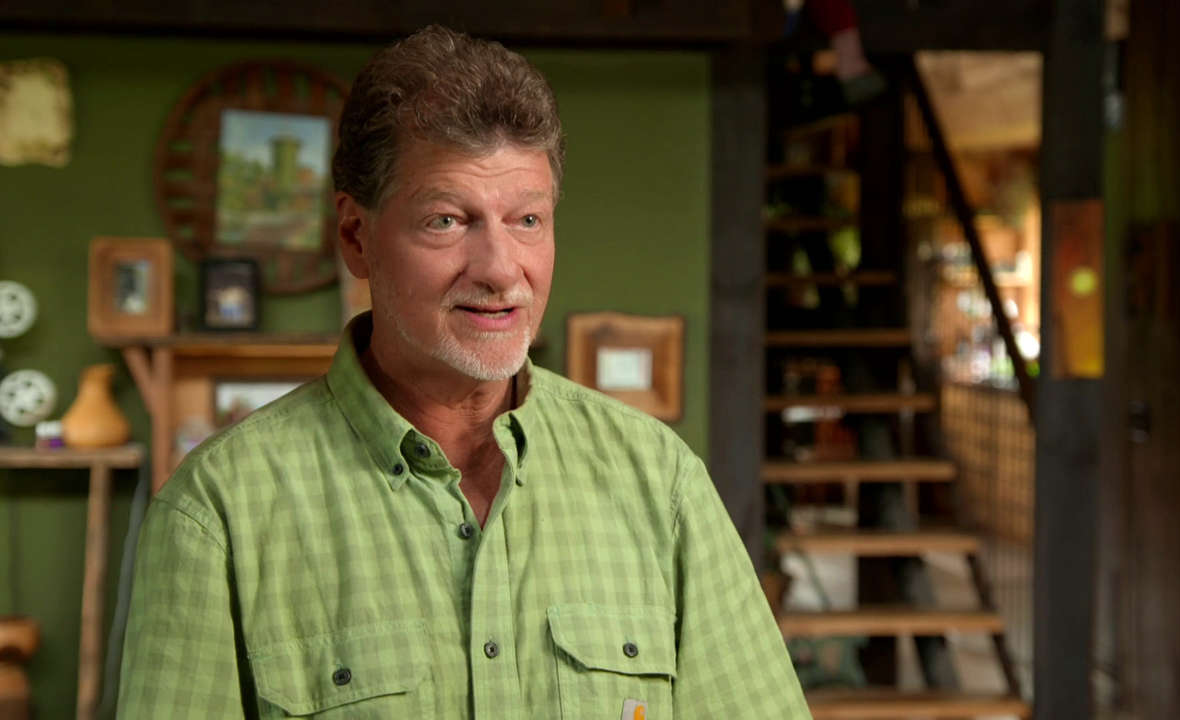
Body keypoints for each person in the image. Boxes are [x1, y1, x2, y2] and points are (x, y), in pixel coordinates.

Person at [120, 25, 809, 719]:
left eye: (528, 220)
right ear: (356, 236)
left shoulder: (661, 481)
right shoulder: (217, 512)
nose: (502, 270)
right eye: (447, 221)